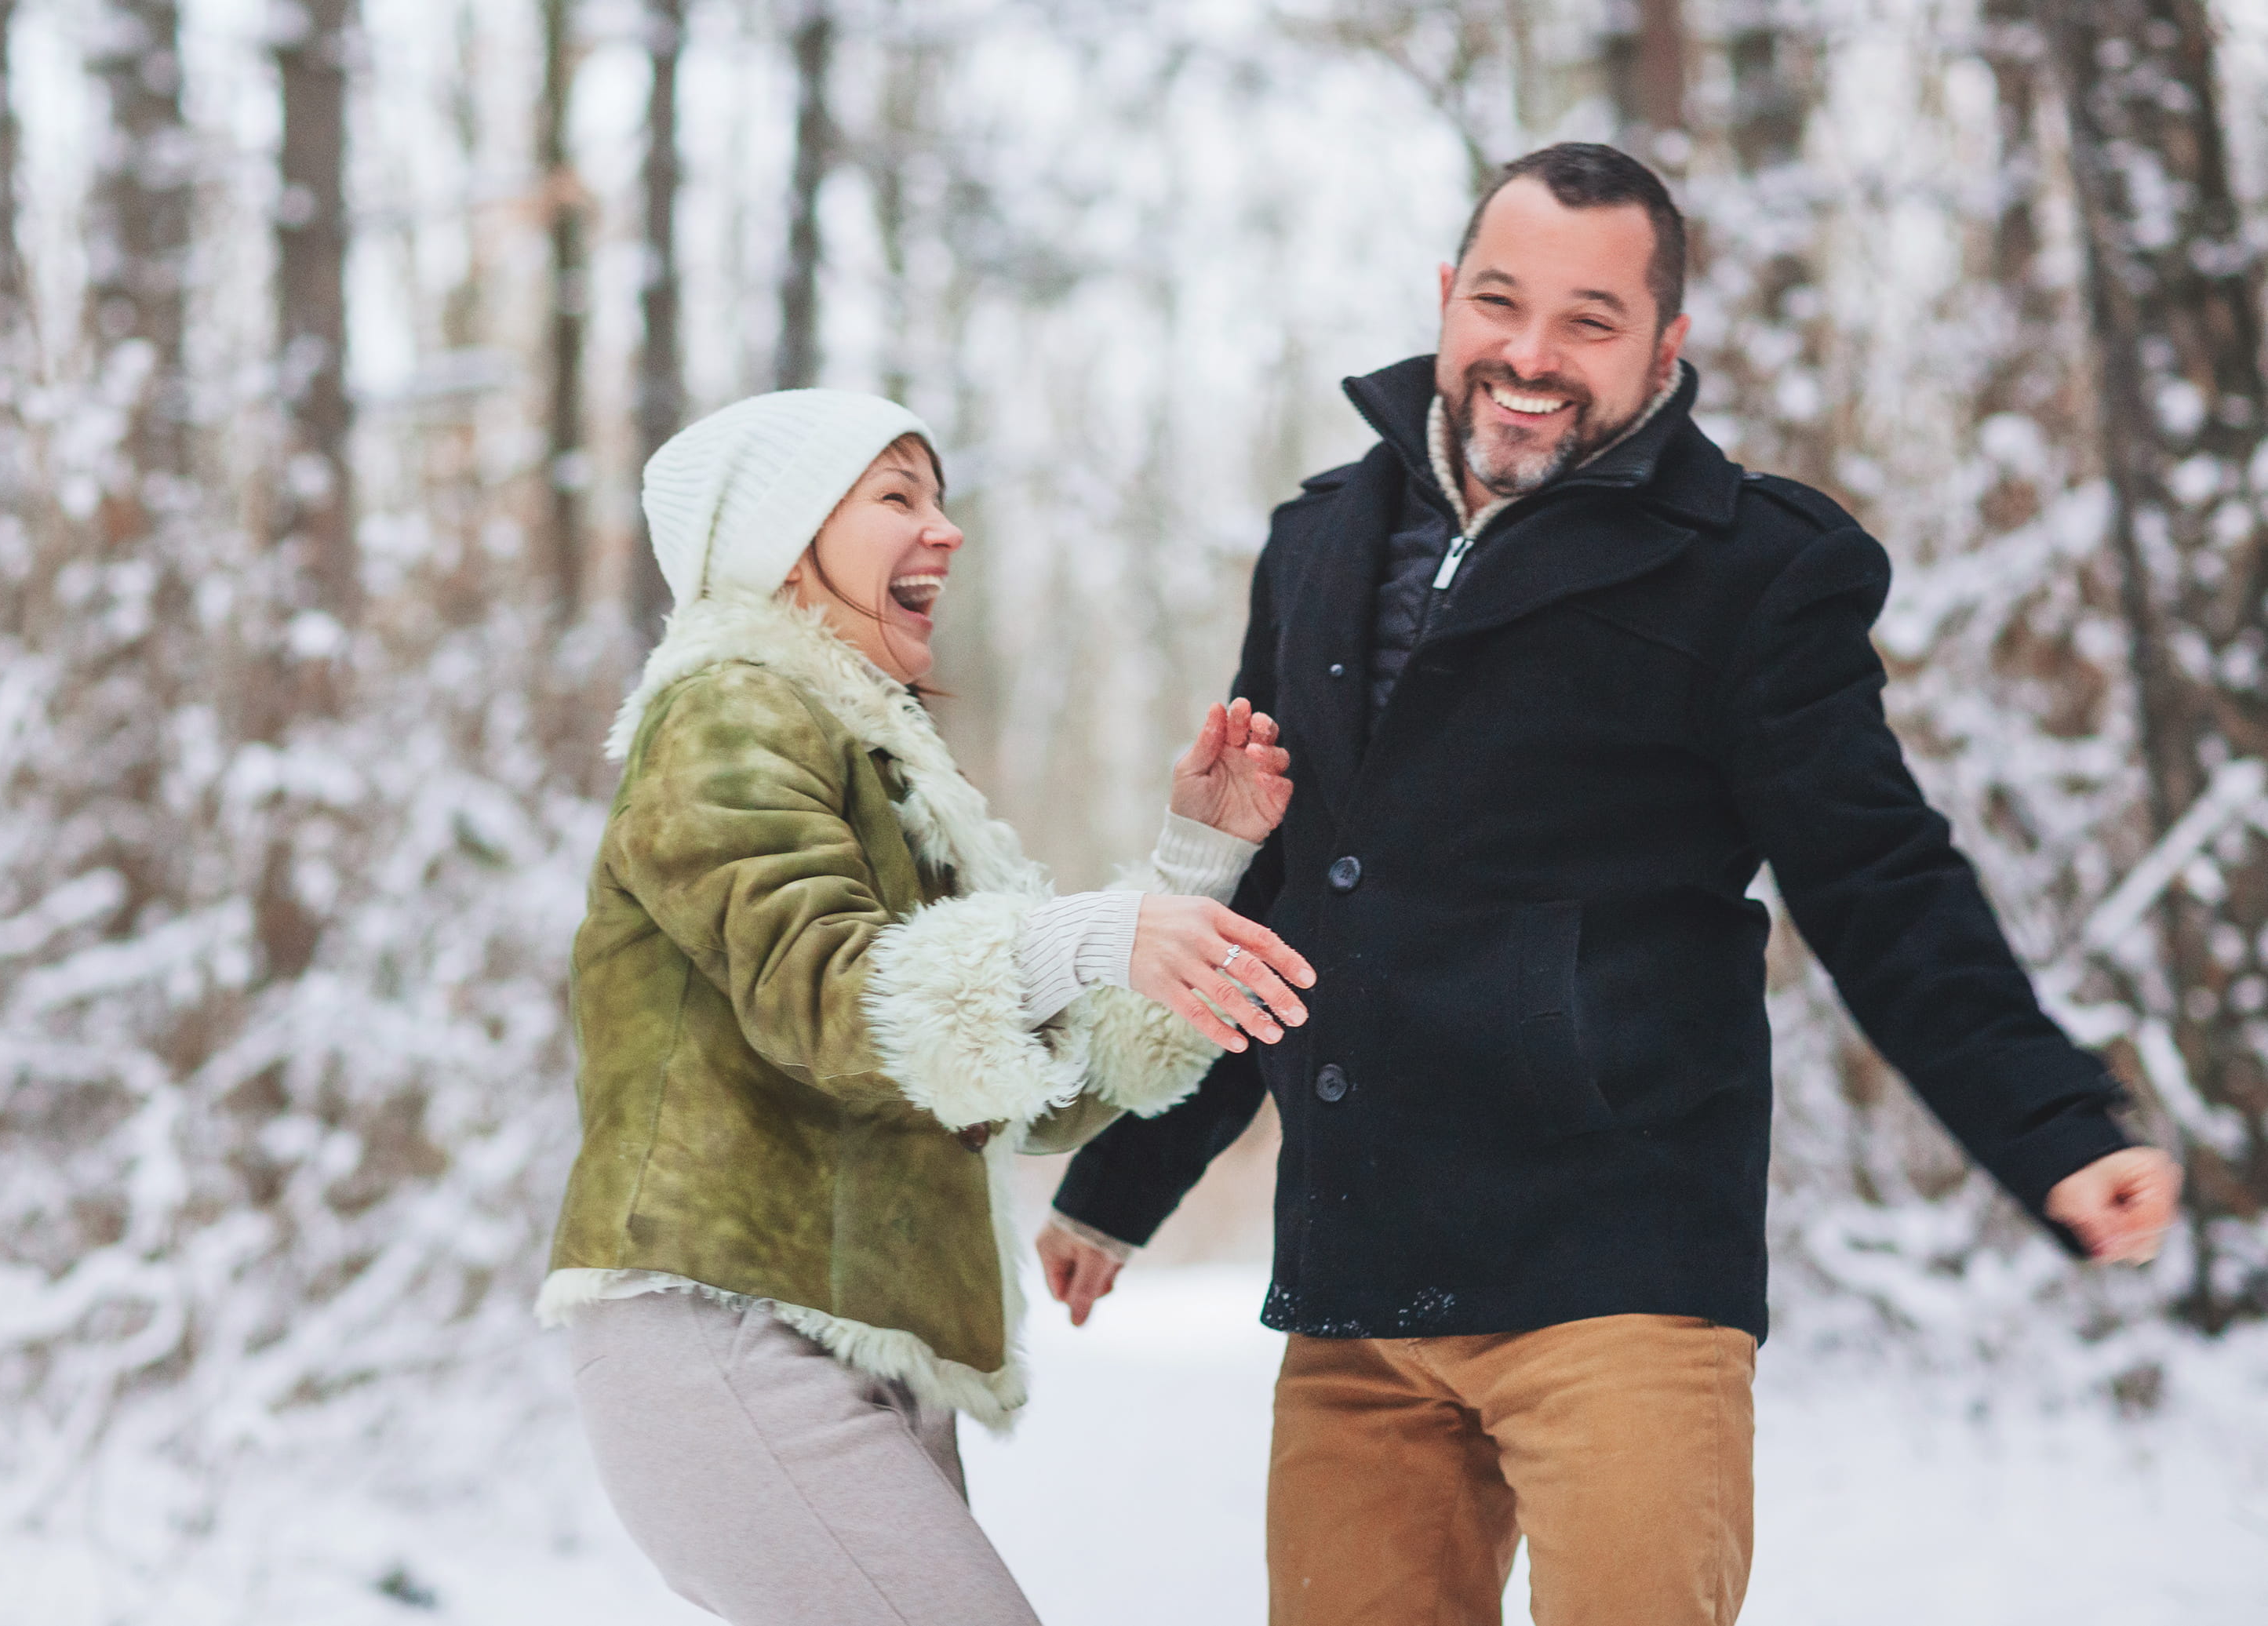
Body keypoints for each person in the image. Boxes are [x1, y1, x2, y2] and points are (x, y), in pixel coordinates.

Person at [1036, 143, 2184, 1626]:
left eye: (1588, 319)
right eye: (1499, 302)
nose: (1529, 355)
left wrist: (2045, 1119)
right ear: (1445, 299)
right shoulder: (1318, 541)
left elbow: (1878, 876)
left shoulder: (1752, 570)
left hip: (1619, 1276)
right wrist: (1125, 1179)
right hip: (1360, 1285)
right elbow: (1272, 889)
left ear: (1664, 347)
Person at [536, 387, 1316, 1626]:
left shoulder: (878, 756)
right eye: (896, 496)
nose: (944, 530)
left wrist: (1190, 867)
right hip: (727, 1322)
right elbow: (831, 995)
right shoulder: (729, 709)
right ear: (783, 539)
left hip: (861, 1336)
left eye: (940, 497)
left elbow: (1030, 1086)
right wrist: (1093, 930)